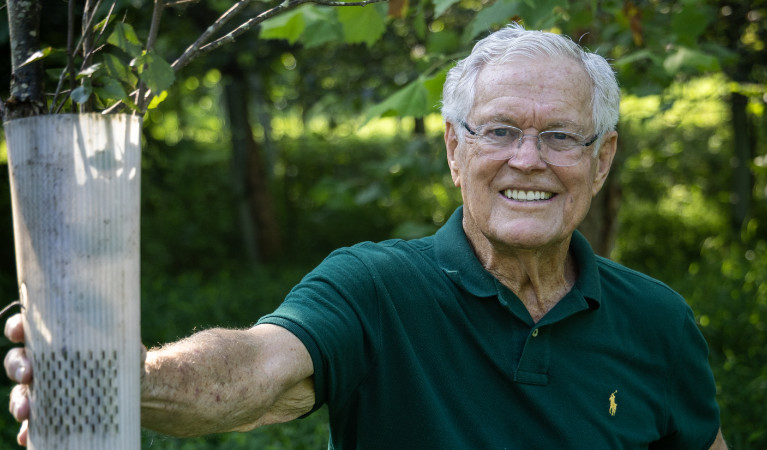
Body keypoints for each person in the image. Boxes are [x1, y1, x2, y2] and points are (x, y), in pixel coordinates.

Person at [5, 24, 727, 448]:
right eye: (500, 131)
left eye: (561, 136)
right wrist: (116, 379)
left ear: (601, 160)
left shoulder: (658, 320)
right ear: (454, 151)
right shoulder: (374, 288)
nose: (527, 160)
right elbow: (256, 375)